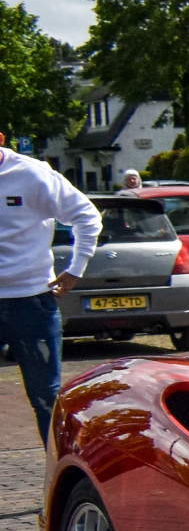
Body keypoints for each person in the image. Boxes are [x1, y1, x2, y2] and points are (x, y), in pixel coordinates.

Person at [0, 146, 101, 442]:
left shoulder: (31, 174)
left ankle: (58, 481)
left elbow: (86, 216)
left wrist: (75, 270)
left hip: (30, 302)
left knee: (46, 400)